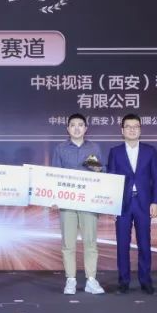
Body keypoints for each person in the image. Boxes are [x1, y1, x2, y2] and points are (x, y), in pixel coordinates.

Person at [106, 113, 157, 295]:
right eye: (128, 127)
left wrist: (156, 201)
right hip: (122, 204)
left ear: (140, 130)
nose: (132, 130)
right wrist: (111, 205)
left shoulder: (149, 151)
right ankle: (123, 282)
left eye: (135, 126)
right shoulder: (115, 152)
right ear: (122, 131)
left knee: (144, 243)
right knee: (122, 244)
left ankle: (146, 281)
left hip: (143, 203)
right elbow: (111, 179)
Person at [51, 113, 105, 295]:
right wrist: (54, 198)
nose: (76, 128)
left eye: (80, 125)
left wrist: (93, 165)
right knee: (68, 242)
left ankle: (91, 280)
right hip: (67, 201)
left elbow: (101, 173)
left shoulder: (94, 147)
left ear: (85, 128)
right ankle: (71, 280)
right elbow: (54, 176)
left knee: (90, 241)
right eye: (73, 125)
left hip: (88, 201)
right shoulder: (60, 149)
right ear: (67, 128)